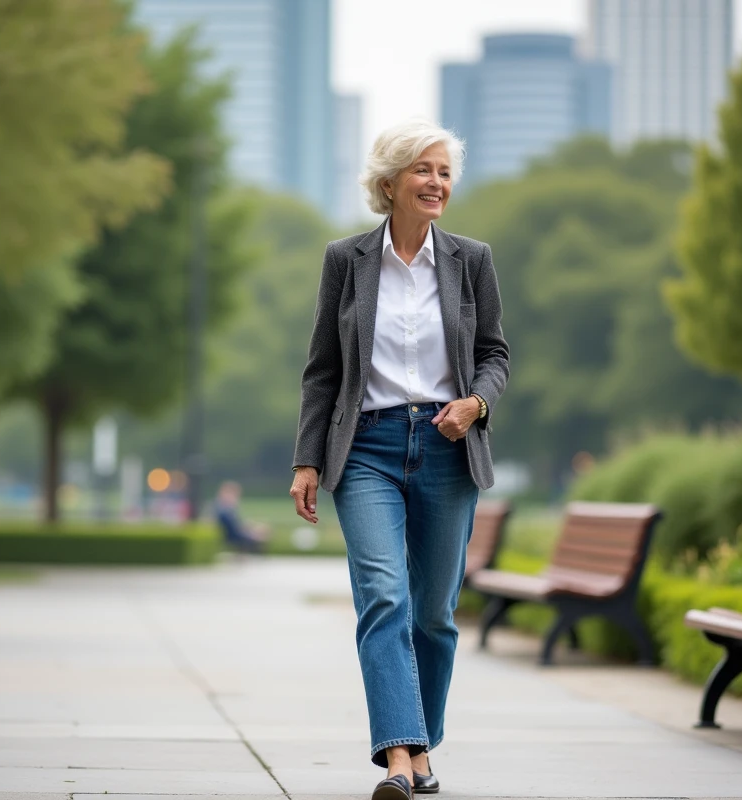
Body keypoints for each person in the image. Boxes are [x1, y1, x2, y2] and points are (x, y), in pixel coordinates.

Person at [289, 119, 510, 800]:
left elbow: (497, 354)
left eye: (445, 171)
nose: (437, 183)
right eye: (424, 170)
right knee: (383, 596)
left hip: (447, 451)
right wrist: (308, 460)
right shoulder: (346, 260)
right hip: (367, 451)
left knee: (435, 613)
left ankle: (421, 744)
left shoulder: (470, 259)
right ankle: (400, 761)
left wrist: (474, 403)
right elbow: (323, 369)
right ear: (389, 183)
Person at [214, 480, 269, 554]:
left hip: (235, 535)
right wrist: (253, 532)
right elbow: (235, 529)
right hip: (233, 537)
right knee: (259, 536)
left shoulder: (226, 509)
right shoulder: (224, 510)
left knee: (261, 533)